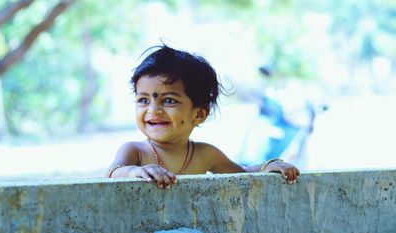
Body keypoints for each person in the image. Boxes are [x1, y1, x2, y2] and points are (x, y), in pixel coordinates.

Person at [106, 44, 300, 189]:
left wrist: (269, 165)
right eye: (143, 100)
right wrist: (134, 171)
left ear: (199, 113)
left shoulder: (205, 154)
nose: (153, 110)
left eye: (168, 101)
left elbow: (241, 172)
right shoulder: (135, 151)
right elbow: (113, 172)